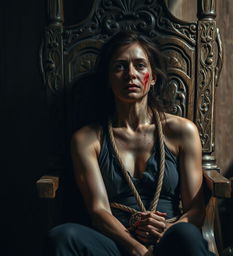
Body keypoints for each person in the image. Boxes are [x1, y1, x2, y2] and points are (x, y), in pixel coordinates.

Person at [46, 31, 214, 256]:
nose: (130, 75)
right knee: (62, 236)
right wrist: (137, 249)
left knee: (187, 235)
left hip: (168, 237)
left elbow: (195, 210)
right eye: (120, 67)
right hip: (116, 240)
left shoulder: (182, 131)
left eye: (140, 66)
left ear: (153, 77)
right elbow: (98, 210)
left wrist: (166, 230)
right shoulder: (87, 139)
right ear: (108, 78)